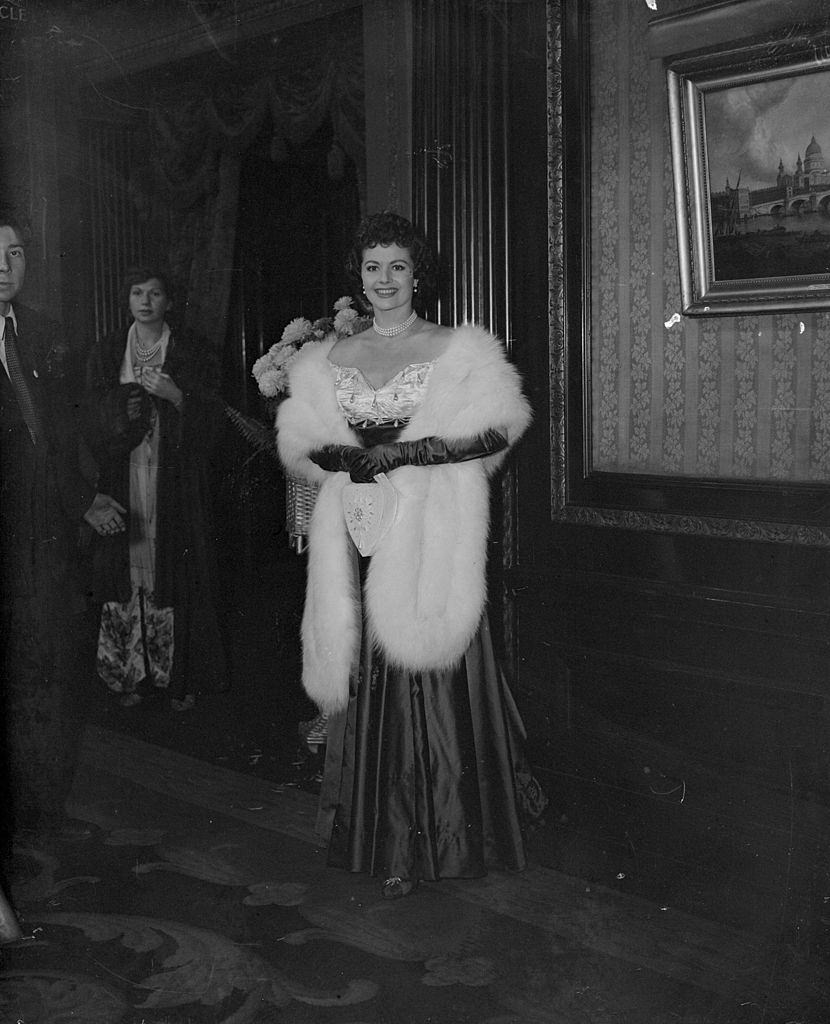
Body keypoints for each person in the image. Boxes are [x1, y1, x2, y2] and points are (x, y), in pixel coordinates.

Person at [277, 211, 546, 899]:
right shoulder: (327, 357)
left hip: (432, 529)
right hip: (359, 531)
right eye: (373, 267)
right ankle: (384, 839)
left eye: (398, 266)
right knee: (370, 674)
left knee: (429, 673)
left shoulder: (456, 348)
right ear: (357, 278)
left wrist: (411, 452)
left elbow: (499, 425)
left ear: (417, 273)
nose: (386, 280)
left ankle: (447, 838)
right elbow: (302, 442)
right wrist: (350, 458)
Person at [0, 209, 125, 849]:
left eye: (16, 254)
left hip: (44, 534)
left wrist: (84, 499)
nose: (4, 267)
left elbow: (65, 437)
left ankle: (42, 812)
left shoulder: (47, 335)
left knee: (47, 668)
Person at [85, 265, 227, 711]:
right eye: (137, 292)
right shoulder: (106, 352)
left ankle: (175, 678)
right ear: (127, 300)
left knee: (173, 571)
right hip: (121, 478)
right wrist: (120, 409)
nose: (145, 301)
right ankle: (128, 676)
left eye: (155, 293)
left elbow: (214, 423)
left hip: (174, 484)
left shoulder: (192, 352)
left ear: (169, 301)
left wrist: (176, 396)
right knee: (124, 570)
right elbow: (86, 421)